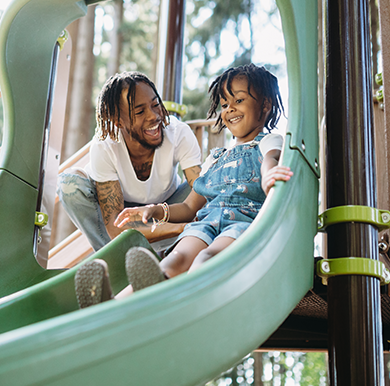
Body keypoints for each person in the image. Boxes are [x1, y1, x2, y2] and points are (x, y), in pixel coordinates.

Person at [74, 64, 293, 308]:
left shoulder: (267, 141)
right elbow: (190, 206)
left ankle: (188, 304)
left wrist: (269, 175)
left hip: (241, 223)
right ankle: (108, 306)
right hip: (206, 223)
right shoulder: (216, 158)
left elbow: (271, 159)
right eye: (224, 105)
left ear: (265, 105)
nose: (230, 109)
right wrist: (157, 210)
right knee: (174, 261)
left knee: (207, 257)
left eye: (239, 100)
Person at [57, 72, 202, 253]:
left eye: (155, 105)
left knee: (207, 182)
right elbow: (116, 228)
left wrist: (176, 220)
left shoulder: (178, 132)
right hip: (123, 216)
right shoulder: (105, 147)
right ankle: (117, 259)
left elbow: (199, 196)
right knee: (69, 185)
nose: (153, 116)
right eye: (140, 111)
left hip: (168, 208)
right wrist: (181, 228)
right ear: (118, 121)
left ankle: (163, 253)